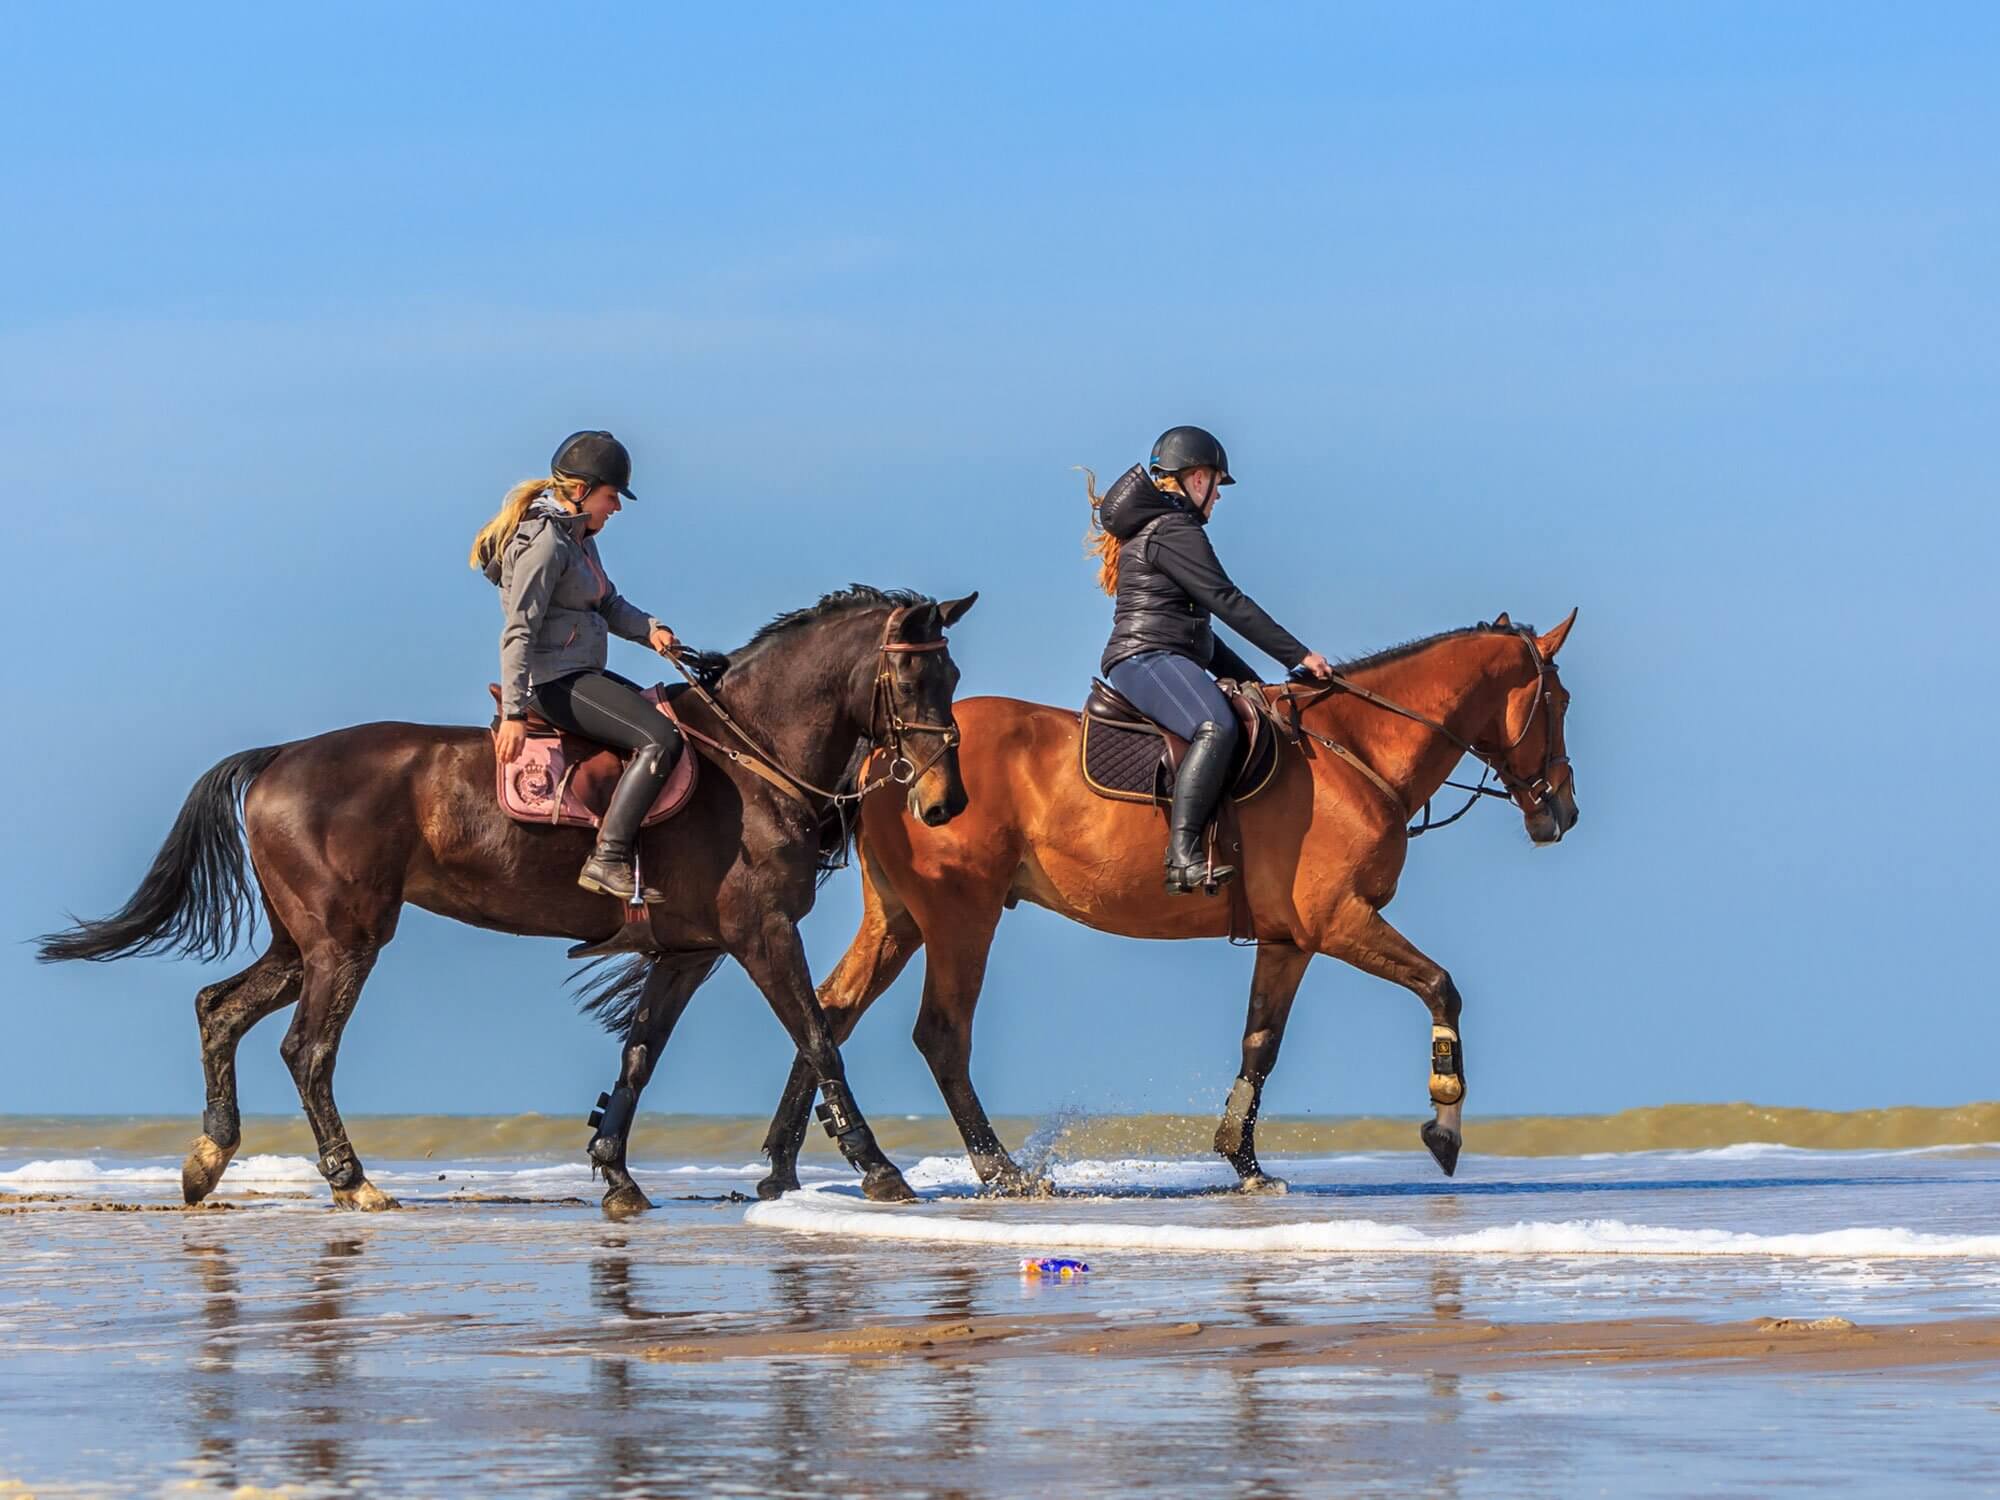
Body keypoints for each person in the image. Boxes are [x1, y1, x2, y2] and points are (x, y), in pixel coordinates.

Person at [1086, 425, 1335, 893]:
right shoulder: (1175, 530)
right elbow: (1227, 600)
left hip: (1165, 656)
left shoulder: (1167, 529)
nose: (1218, 496)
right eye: (1217, 484)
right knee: (1214, 726)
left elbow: (1201, 634)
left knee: (1250, 710)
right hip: (1144, 658)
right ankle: (1182, 856)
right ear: (1196, 479)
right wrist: (1298, 653)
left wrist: (1263, 683)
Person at [470, 430, 682, 902]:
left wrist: (652, 631)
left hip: (580, 674)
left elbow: (607, 603)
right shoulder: (546, 545)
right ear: (583, 491)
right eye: (612, 497)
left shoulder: (581, 537)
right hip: (554, 682)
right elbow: (518, 631)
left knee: (670, 715)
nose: (617, 508)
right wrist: (515, 715)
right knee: (659, 739)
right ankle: (607, 858)